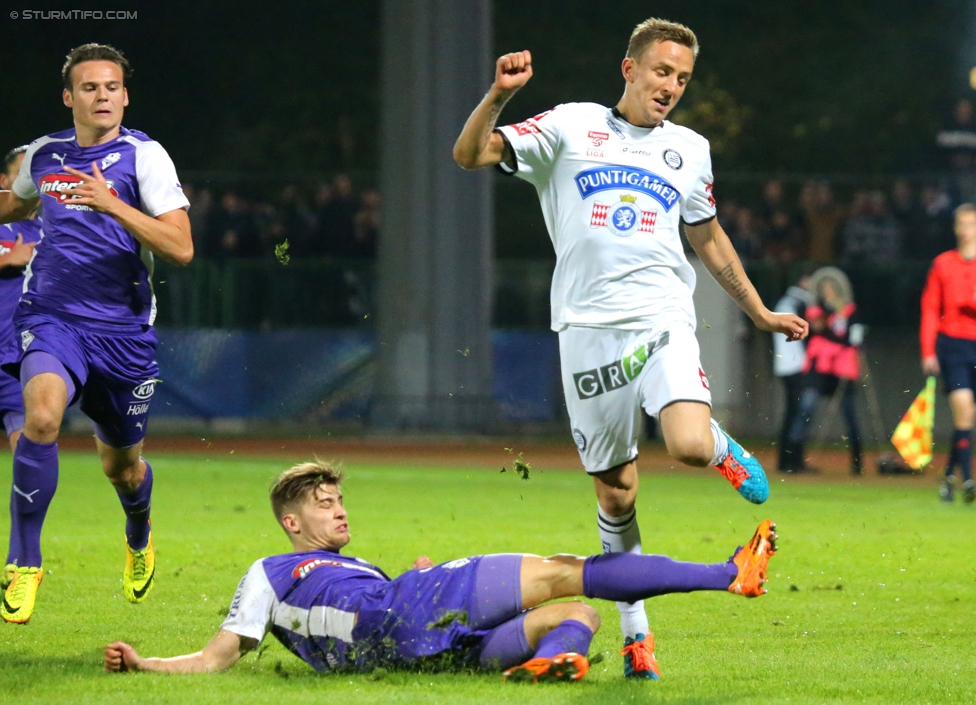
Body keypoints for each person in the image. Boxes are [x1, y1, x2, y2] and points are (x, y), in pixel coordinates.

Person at [452, 18, 807, 678]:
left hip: (660, 318)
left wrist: (758, 309)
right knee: (616, 494)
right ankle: (636, 632)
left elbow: (708, 238)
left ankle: (718, 442)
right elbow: (469, 154)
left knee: (690, 445)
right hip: (585, 331)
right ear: (630, 69)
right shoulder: (569, 127)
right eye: (662, 72)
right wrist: (498, 95)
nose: (671, 86)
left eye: (682, 78)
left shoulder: (690, 151)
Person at [104, 460, 778, 683]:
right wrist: (148, 664)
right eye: (322, 502)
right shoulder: (270, 568)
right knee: (564, 571)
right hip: (409, 607)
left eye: (339, 498)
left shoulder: (329, 573)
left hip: (403, 650)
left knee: (579, 615)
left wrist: (143, 665)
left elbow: (219, 658)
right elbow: (218, 654)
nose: (338, 509)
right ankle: (727, 572)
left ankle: (551, 662)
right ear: (291, 521)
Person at [0, 43, 193, 623]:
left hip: (124, 331)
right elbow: (15, 204)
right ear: (70, 97)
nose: (102, 95)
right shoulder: (45, 154)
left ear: (125, 96)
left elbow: (181, 247)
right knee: (41, 417)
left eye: (111, 87)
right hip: (51, 316)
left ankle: (139, 529)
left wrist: (113, 205)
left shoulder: (146, 157)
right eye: (89, 87)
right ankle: (23, 562)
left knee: (122, 468)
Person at [0, 147, 43, 591]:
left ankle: (18, 563)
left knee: (25, 464)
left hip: (16, 365)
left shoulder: (53, 233)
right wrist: (7, 261)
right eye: (22, 174)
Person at [920, 203, 976, 503]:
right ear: (956, 228)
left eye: (971, 224)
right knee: (964, 410)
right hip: (953, 344)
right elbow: (930, 309)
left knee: (967, 418)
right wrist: (928, 350)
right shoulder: (943, 264)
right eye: (962, 223)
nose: (966, 230)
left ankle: (949, 475)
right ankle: (968, 480)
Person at [787, 269, 864, 475]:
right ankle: (795, 459)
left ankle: (857, 463)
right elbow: (815, 328)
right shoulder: (815, 310)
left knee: (850, 415)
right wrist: (828, 314)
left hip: (842, 368)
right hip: (818, 369)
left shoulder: (850, 311)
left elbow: (854, 337)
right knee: (806, 409)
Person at [773, 271, 814, 472]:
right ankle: (792, 462)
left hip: (784, 365)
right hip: (795, 365)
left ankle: (787, 462)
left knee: (792, 414)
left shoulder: (787, 301)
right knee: (797, 415)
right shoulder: (800, 303)